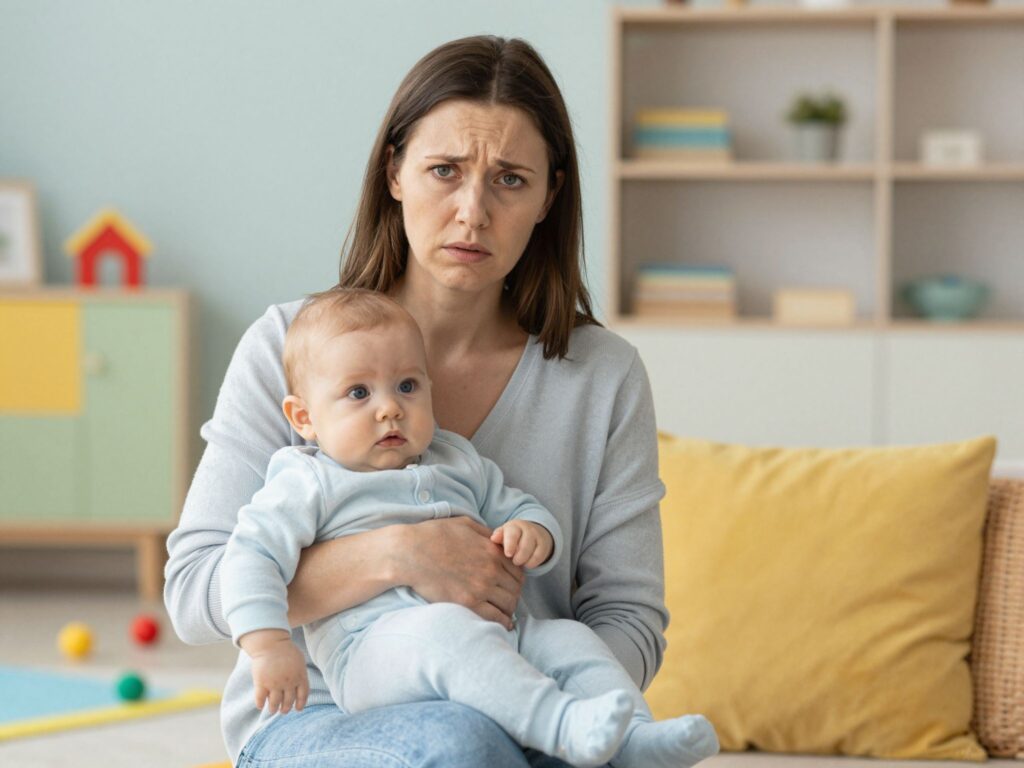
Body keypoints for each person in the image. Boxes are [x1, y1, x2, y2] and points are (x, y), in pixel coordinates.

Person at [166, 35, 677, 767]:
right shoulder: (286, 345)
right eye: (444, 171)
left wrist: (543, 715)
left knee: (494, 738)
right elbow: (194, 592)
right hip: (320, 714)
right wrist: (401, 553)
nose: (472, 212)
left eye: (510, 180)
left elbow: (628, 618)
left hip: (539, 712)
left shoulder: (603, 376)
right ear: (395, 171)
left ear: (549, 196)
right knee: (458, 742)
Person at [219, 289, 718, 768]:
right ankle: (560, 727)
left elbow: (515, 505)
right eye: (358, 393)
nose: (389, 407)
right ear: (304, 417)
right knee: (447, 641)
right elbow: (249, 558)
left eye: (407, 386)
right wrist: (266, 644)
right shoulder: (307, 479)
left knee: (569, 641)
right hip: (371, 656)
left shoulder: (455, 458)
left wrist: (533, 533)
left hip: (499, 637)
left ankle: (632, 738)